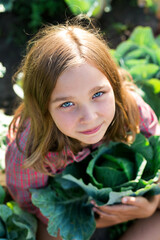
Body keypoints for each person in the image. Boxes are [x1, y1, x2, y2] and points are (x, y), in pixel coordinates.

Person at [5, 16, 160, 240]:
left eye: (98, 94)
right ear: (43, 108)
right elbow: (28, 203)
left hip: (134, 213)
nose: (89, 117)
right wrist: (86, 218)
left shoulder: (133, 110)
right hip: (71, 219)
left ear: (113, 86)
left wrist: (151, 203)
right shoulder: (30, 146)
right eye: (67, 104)